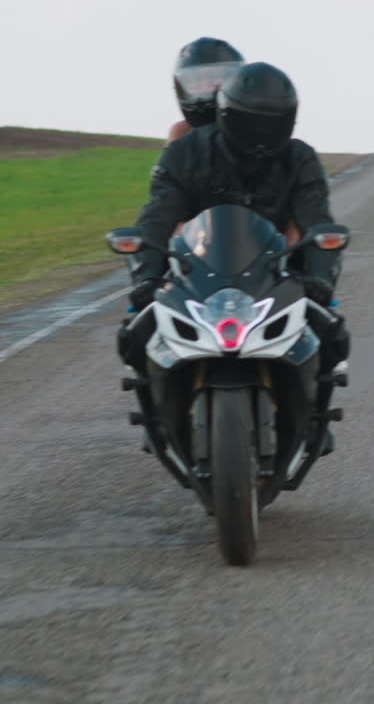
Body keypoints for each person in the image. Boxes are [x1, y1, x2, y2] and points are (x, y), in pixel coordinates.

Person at [118, 63, 349, 443]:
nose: (262, 132)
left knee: (331, 331)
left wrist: (319, 280)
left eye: (271, 122)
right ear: (227, 112)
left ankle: (313, 419)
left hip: (277, 271)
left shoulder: (300, 158)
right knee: (135, 332)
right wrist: (146, 275)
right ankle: (158, 422)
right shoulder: (186, 153)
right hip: (197, 269)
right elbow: (157, 215)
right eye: (253, 121)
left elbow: (316, 221)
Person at [168, 37, 244, 142]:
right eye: (196, 81)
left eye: (214, 78)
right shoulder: (182, 132)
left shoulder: (251, 128)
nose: (205, 87)